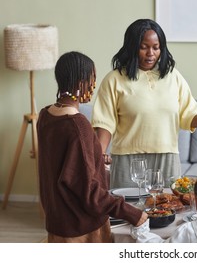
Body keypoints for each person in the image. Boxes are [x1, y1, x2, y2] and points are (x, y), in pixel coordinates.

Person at [37, 51, 148, 243]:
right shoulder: (78, 126)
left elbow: (63, 166)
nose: (93, 86)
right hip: (82, 228)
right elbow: (88, 190)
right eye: (92, 79)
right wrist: (132, 214)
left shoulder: (45, 116)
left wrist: (96, 158)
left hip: (57, 222)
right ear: (81, 83)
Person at [91, 19, 197, 189]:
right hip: (127, 160)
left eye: (156, 47)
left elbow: (188, 114)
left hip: (167, 159)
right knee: (127, 211)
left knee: (170, 211)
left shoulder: (173, 76)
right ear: (132, 47)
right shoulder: (114, 80)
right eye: (144, 47)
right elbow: (105, 122)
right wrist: (99, 154)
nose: (151, 53)